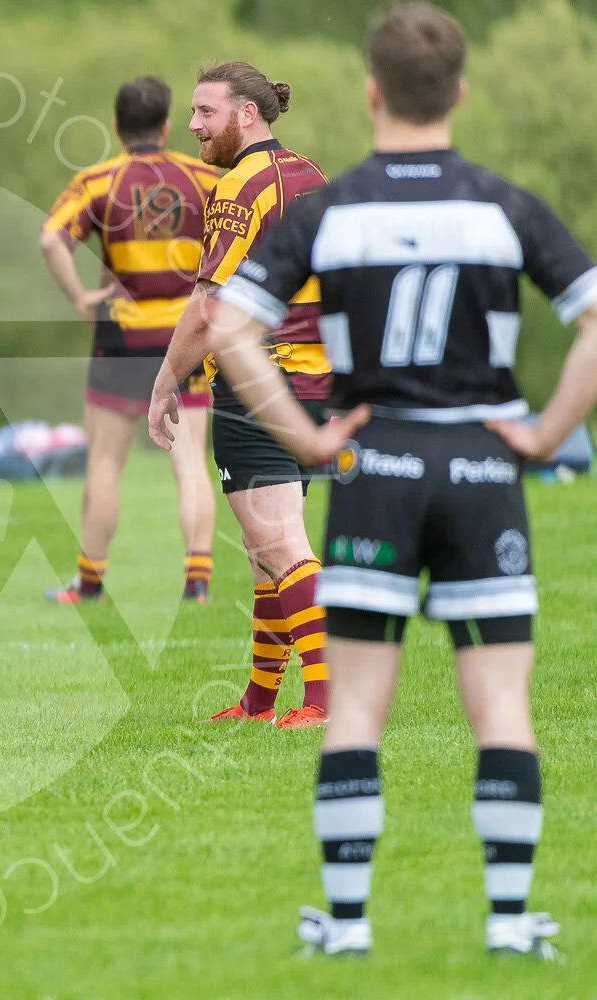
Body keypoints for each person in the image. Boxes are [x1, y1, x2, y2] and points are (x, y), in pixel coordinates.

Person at [204, 2, 597, 958]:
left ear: (372, 93)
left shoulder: (330, 209)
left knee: (356, 708)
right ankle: (510, 920)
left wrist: (304, 437)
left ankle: (346, 926)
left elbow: (229, 328)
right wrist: (546, 434)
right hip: (481, 472)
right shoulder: (503, 207)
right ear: (459, 92)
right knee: (500, 706)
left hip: (373, 468)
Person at [146, 62, 333, 729]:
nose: (193, 126)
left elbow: (207, 307)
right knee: (265, 552)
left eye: (206, 112)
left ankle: (328, 699)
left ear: (245, 115)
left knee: (279, 544)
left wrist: (165, 381)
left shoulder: (238, 187)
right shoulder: (310, 174)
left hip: (260, 382)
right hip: (314, 381)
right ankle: (259, 702)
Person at [40, 76, 222, 604]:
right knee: (190, 462)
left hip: (120, 338)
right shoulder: (204, 178)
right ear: (166, 126)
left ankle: (89, 583)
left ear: (118, 127)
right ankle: (197, 583)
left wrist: (81, 299)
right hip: (186, 336)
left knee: (104, 462)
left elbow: (51, 240)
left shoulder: (99, 181)